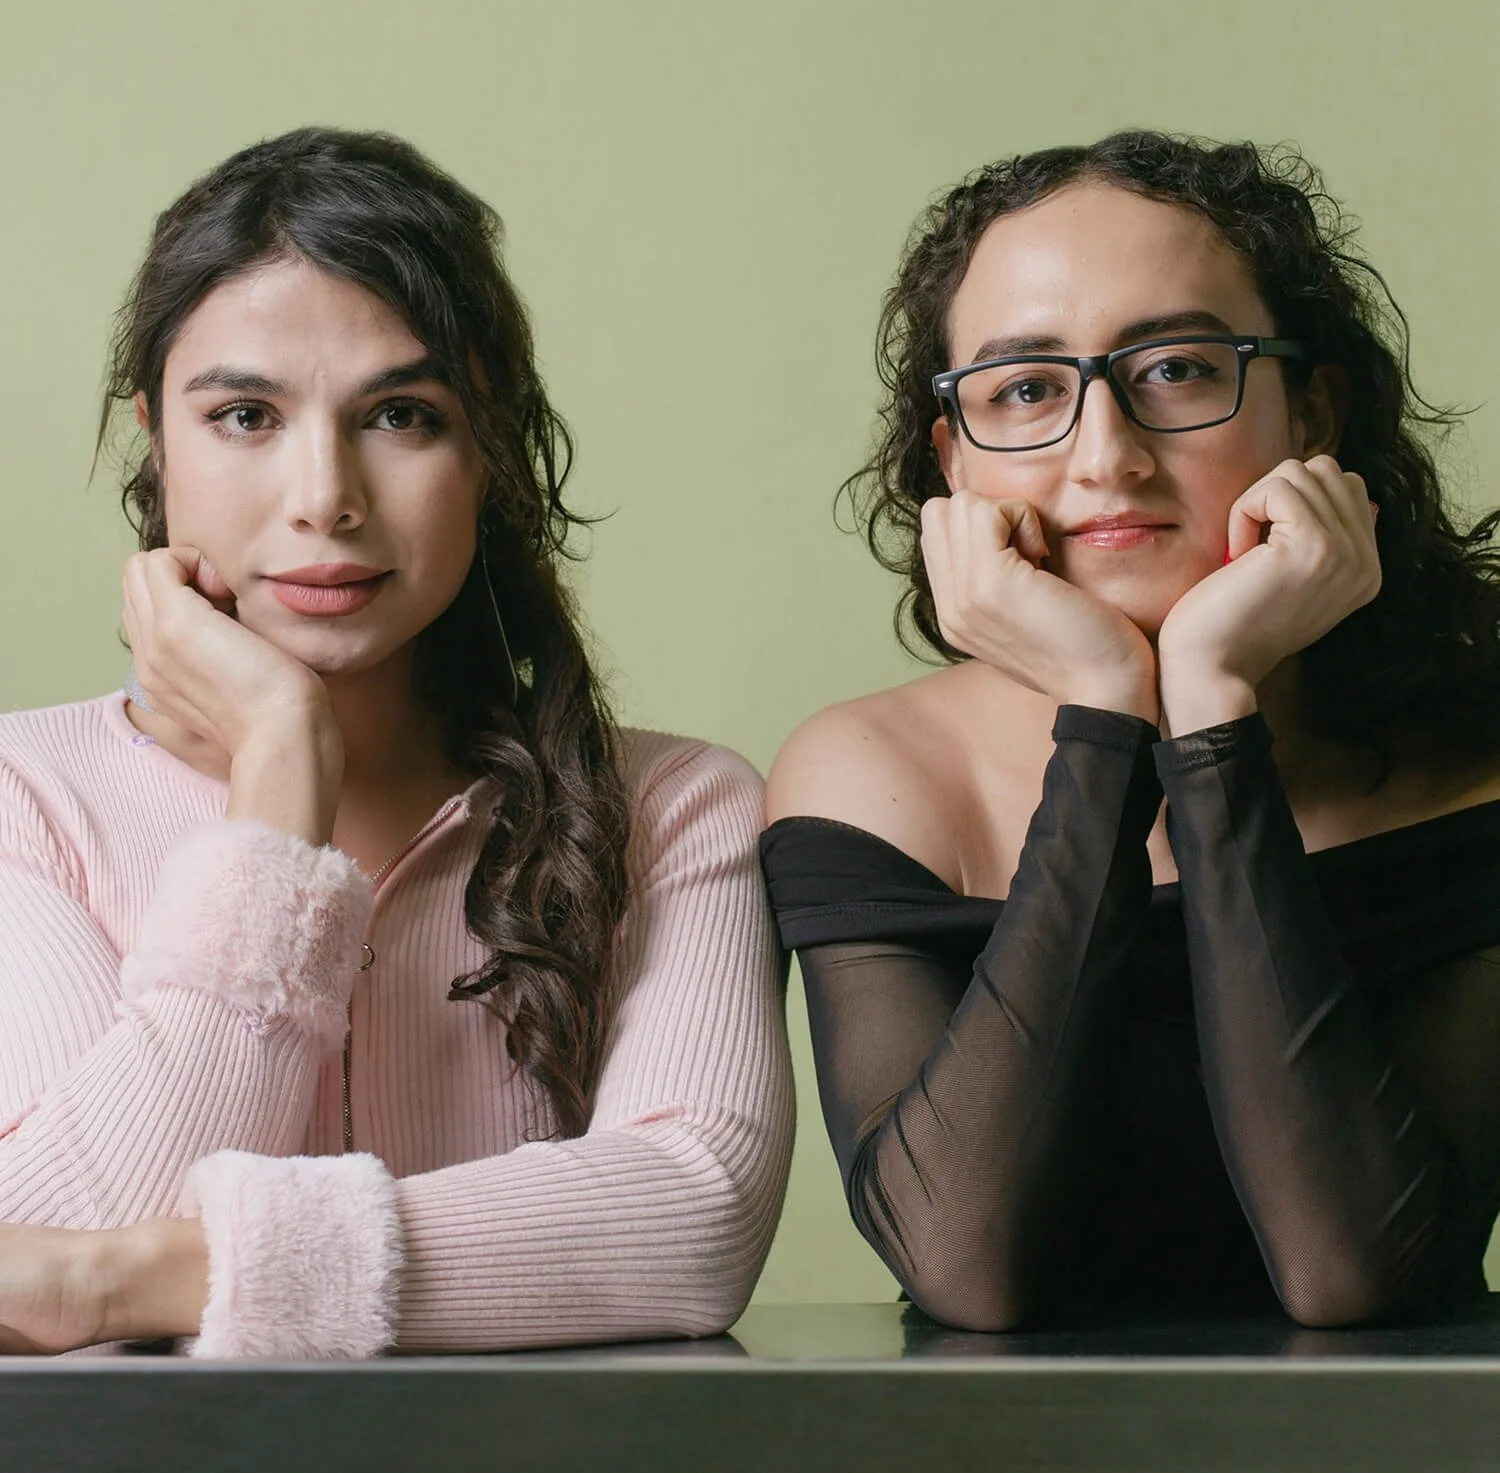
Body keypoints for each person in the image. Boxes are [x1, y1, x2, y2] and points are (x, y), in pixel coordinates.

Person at [0, 127, 793, 1358]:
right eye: (248, 414)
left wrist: (132, 1280)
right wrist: (277, 772)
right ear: (153, 436)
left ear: (492, 453)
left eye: (403, 414)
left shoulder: (675, 805)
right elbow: (38, 1239)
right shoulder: (21, 796)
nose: (326, 494)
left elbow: (693, 1219)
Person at [760, 130, 1500, 1331]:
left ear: (1314, 408)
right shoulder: (872, 777)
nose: (1105, 457)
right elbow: (967, 1264)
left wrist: (1210, 706)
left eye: (1178, 370)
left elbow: (1356, 1270)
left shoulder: (1470, 771)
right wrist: (1108, 712)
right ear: (953, 461)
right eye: (1026, 391)